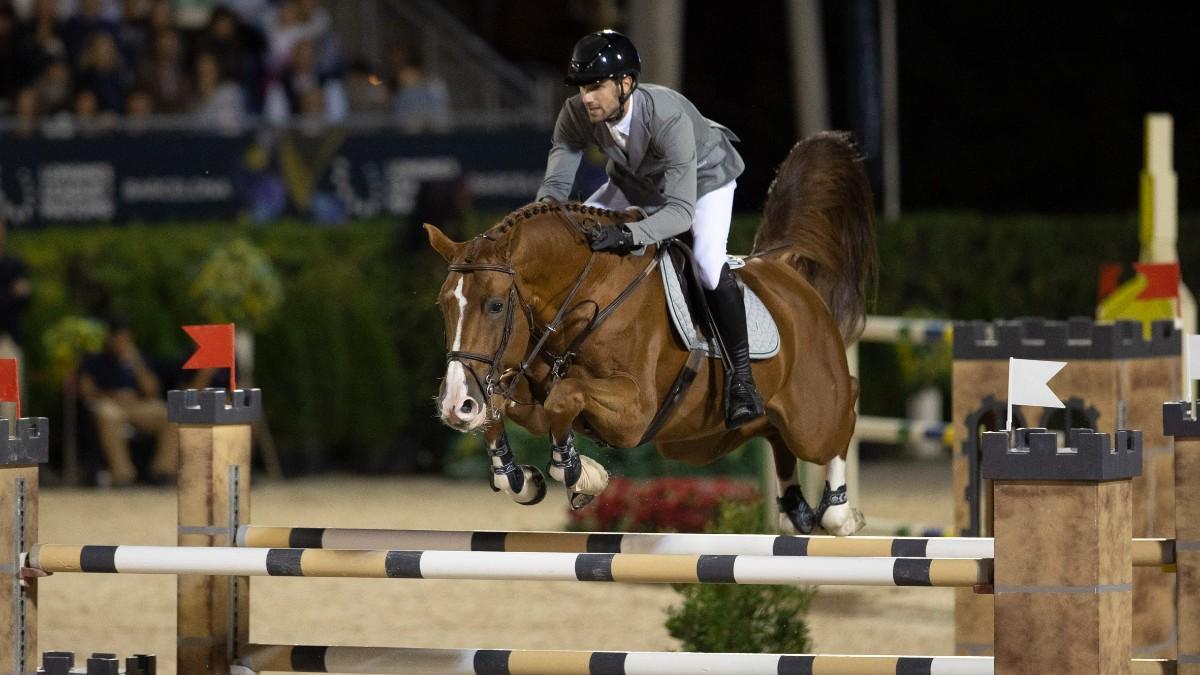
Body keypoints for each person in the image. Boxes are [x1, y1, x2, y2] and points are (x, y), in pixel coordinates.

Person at [535, 29, 763, 429]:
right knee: (574, 239)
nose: (587, 97)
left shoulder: (666, 115)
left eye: (597, 86)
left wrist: (627, 235)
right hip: (634, 181)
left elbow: (678, 213)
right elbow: (554, 190)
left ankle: (742, 380)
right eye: (581, 87)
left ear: (626, 83)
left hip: (705, 180)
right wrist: (542, 228)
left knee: (708, 263)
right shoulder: (576, 114)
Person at [78, 317, 176, 486]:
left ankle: (162, 470)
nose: (122, 342)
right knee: (107, 415)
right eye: (118, 338)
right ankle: (122, 474)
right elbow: (86, 391)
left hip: (138, 406)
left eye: (126, 338)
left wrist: (137, 363)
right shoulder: (93, 360)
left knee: (171, 414)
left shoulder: (138, 359)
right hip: (109, 405)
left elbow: (152, 390)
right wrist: (113, 395)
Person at [0, 217, 32, 424]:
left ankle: (6, 450)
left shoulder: (14, 264)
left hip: (5, 341)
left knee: (8, 400)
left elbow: (24, 298)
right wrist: (9, 296)